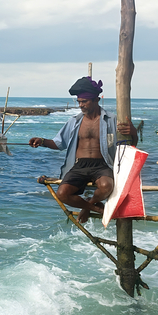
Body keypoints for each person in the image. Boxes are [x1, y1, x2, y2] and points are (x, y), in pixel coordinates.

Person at [29, 76, 138, 223]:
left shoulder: (112, 120)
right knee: (62, 193)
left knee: (107, 187)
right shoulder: (74, 121)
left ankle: (87, 206)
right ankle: (94, 207)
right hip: (80, 165)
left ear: (96, 100)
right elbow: (59, 143)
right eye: (79, 102)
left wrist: (133, 133)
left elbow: (129, 148)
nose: (80, 105)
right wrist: (41, 141)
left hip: (102, 164)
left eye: (84, 101)